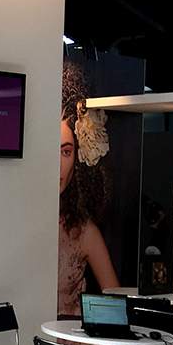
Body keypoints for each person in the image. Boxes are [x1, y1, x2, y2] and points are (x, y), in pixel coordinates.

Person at [58, 61, 120, 317]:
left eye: (65, 152)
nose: (57, 165)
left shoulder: (82, 232)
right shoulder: (16, 222)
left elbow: (115, 305)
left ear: (77, 157)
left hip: (66, 338)